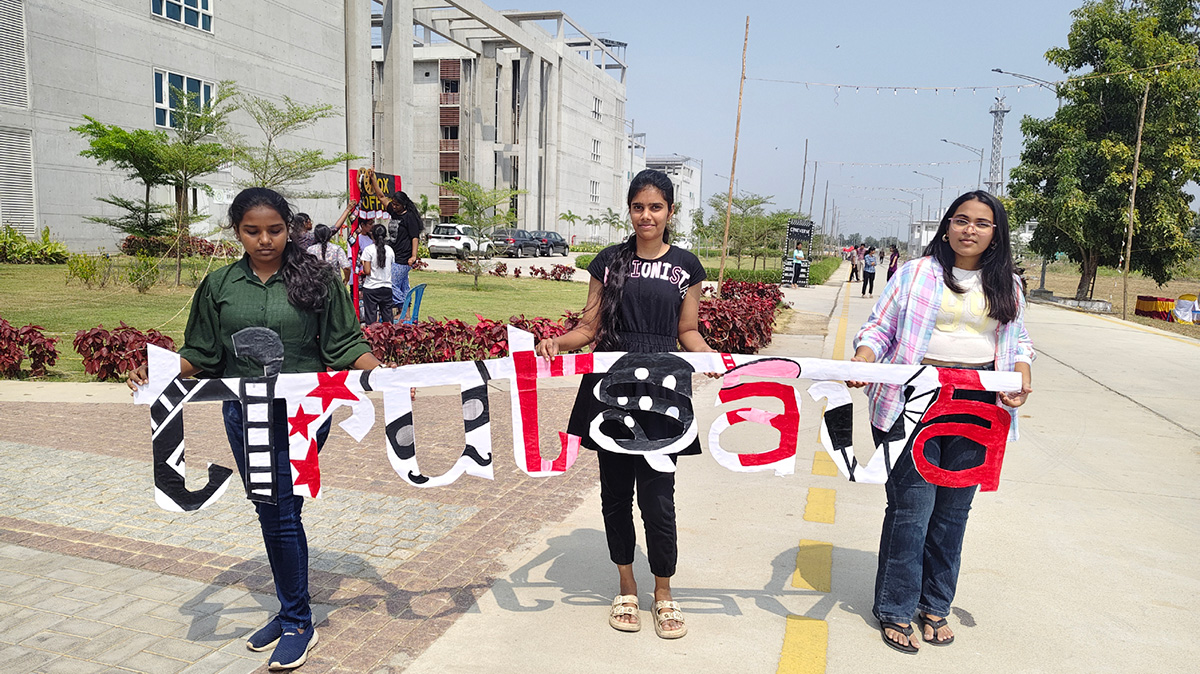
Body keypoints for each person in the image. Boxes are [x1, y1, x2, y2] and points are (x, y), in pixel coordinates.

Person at [127, 187, 390, 670]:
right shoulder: (221, 285)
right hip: (241, 411)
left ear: (289, 229)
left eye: (274, 230)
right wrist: (161, 371)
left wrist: (386, 375)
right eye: (253, 231)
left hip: (304, 412)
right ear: (237, 232)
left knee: (283, 506)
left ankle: (297, 620)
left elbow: (344, 343)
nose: (265, 240)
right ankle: (292, 609)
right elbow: (203, 351)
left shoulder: (319, 279)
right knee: (268, 507)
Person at [848, 190, 1034, 654]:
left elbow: (1019, 343)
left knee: (953, 511)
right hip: (914, 397)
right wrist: (863, 358)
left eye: (982, 223)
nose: (970, 229)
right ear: (947, 226)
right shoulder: (915, 273)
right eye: (961, 220)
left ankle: (935, 603)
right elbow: (879, 328)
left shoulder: (1007, 284)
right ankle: (894, 607)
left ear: (995, 234)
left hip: (979, 405)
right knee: (912, 508)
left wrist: (1021, 376)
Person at [534, 169, 712, 640]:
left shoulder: (688, 266)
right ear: (629, 210)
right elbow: (588, 328)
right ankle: (627, 586)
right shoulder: (608, 262)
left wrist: (711, 359)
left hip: (661, 392)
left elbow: (687, 330)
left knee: (658, 499)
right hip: (609, 389)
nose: (646, 216)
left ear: (670, 212)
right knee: (615, 494)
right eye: (638, 207)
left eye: (656, 207)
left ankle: (665, 592)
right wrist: (560, 342)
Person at [363, 169, 422, 322]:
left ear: (403, 204)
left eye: (396, 205)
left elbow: (415, 237)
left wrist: (413, 256)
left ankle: (404, 306)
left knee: (391, 285)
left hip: (404, 256)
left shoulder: (410, 217)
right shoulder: (395, 213)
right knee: (402, 286)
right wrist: (373, 179)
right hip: (395, 254)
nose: (393, 207)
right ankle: (406, 314)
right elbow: (381, 196)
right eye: (393, 204)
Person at [359, 224, 395, 325]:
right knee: (388, 318)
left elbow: (367, 271)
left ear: (372, 236)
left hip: (371, 288)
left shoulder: (368, 250)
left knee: (371, 318)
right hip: (386, 286)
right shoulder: (390, 250)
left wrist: (363, 263)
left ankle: (372, 338)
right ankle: (389, 338)